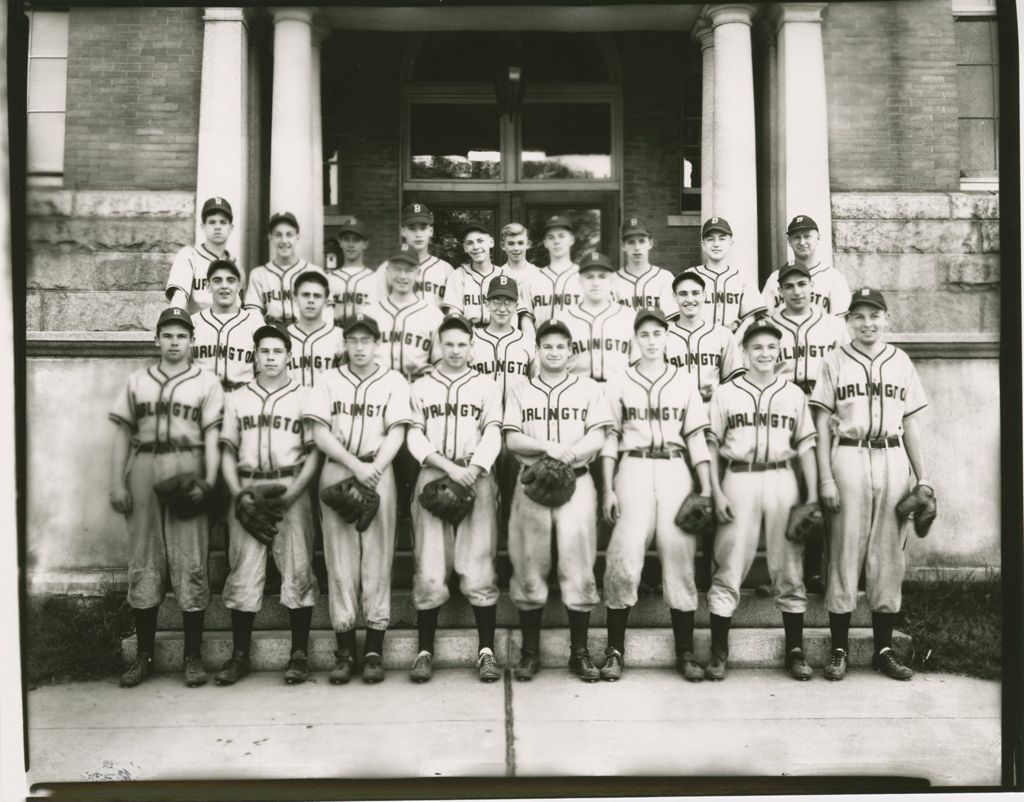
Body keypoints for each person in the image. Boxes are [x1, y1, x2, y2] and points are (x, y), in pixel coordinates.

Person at [810, 288, 930, 681]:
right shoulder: (833, 361)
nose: (867, 323)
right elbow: (822, 423)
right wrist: (825, 476)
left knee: (889, 557)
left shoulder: (901, 361)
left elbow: (910, 422)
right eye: (858, 316)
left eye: (873, 315)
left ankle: (883, 650)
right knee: (844, 552)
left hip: (893, 458)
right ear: (847, 322)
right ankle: (839, 648)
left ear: (886, 318)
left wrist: (923, 477)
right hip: (848, 454)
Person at [108, 307, 224, 688]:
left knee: (191, 560)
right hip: (143, 467)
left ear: (192, 341)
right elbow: (123, 434)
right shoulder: (137, 381)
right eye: (168, 335)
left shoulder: (207, 382)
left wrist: (208, 481)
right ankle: (144, 655)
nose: (175, 342)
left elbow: (212, 437)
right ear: (156, 339)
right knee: (144, 560)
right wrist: (116, 483)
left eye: (182, 335)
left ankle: (192, 656)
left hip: (186, 464)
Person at [600, 307, 712, 682]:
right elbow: (610, 438)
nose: (651, 340)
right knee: (624, 554)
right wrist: (606, 489)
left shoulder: (683, 381)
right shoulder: (618, 381)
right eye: (644, 334)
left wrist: (707, 486)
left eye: (657, 333)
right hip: (632, 467)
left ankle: (684, 651)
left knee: (679, 555)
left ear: (668, 337)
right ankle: (615, 649)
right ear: (636, 338)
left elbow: (696, 437)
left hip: (674, 468)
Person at [705, 319, 819, 681]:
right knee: (729, 560)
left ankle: (795, 649)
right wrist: (714, 490)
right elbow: (711, 445)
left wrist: (813, 495)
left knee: (789, 563)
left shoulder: (794, 394)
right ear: (744, 351)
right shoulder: (726, 392)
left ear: (779, 351)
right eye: (757, 347)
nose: (764, 353)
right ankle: (719, 649)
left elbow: (807, 446)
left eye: (771, 347)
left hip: (782, 477)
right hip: (738, 476)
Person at [303, 313, 412, 684]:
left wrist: (374, 469)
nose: (360, 346)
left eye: (366, 340)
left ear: (376, 343)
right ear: (344, 343)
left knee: (378, 561)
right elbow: (319, 433)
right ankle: (345, 649)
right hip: (338, 469)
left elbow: (398, 432)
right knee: (339, 562)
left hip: (379, 470)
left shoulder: (393, 380)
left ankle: (374, 651)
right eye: (354, 340)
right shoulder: (328, 380)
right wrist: (354, 465)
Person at [503, 319, 614, 682]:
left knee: (578, 564)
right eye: (547, 346)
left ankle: (579, 652)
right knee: (529, 564)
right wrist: (549, 448)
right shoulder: (521, 389)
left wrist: (568, 456)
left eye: (560, 346)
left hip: (577, 483)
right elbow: (513, 440)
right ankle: (531, 651)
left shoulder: (589, 389)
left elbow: (598, 436)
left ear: (571, 351)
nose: (553, 352)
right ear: (537, 351)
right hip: (531, 483)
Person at [215, 324, 321, 686]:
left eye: (278, 351)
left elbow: (314, 453)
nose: (271, 358)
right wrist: (238, 495)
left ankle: (299, 654)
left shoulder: (305, 395)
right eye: (264, 351)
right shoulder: (237, 398)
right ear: (254, 356)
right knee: (243, 570)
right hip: (248, 485)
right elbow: (226, 450)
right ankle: (239, 655)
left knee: (298, 568)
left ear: (289, 355)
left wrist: (294, 494)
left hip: (290, 485)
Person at [406, 312, 504, 683]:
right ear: (438, 345)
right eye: (449, 343)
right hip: (434, 473)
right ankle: (425, 651)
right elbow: (414, 437)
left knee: (479, 566)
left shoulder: (486, 385)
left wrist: (474, 470)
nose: (456, 350)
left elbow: (493, 432)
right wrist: (449, 469)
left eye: (462, 344)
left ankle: (486, 652)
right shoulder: (421, 386)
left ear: (471, 347)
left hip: (475, 472)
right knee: (429, 568)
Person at [768, 263, 849, 596]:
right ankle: (779, 568)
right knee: (784, 486)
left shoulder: (833, 325)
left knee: (817, 485)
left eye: (802, 284)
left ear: (812, 287)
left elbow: (846, 367)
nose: (797, 291)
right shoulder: (768, 324)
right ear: (780, 291)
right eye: (789, 286)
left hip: (821, 405)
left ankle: (814, 568)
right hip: (783, 404)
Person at [470, 275, 536, 521]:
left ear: (516, 305)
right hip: (479, 426)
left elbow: (535, 384)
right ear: (486, 303)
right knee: (481, 494)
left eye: (508, 301)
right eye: (496, 300)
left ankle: (509, 543)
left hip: (513, 427)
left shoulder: (527, 342)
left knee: (513, 492)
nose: (502, 307)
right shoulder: (473, 340)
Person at [666, 270, 745, 404]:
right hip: (674, 407)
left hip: (712, 405)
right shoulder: (664, 336)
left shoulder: (723, 335)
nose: (690, 299)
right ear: (674, 297)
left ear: (704, 296)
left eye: (695, 293)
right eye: (683, 294)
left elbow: (733, 383)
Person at [556, 251, 636, 383]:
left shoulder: (628, 316)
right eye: (589, 277)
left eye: (602, 276)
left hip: (618, 391)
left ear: (612, 280)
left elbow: (638, 363)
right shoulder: (564, 319)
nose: (595, 283)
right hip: (575, 392)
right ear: (580, 280)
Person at [443, 221, 533, 338]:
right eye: (470, 243)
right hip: (470, 336)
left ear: (491, 242)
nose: (476, 247)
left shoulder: (507, 276)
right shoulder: (458, 276)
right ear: (465, 248)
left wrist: (530, 344)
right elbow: (453, 314)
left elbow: (522, 316)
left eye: (480, 241)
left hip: (503, 336)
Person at [369, 246, 444, 382]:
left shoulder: (434, 316)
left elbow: (441, 363)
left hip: (419, 388)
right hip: (377, 388)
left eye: (409, 270)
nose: (402, 276)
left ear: (418, 273)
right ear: (387, 271)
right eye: (397, 269)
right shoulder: (370, 313)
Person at [189, 259, 264, 392]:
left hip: (242, 399)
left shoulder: (254, 323)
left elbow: (262, 372)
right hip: (203, 397)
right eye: (217, 281)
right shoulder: (193, 323)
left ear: (239, 286)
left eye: (231, 280)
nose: (224, 286)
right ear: (207, 285)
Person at [244, 211, 325, 327]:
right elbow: (253, 313)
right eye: (278, 235)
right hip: (271, 335)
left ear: (297, 237)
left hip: (305, 333)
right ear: (270, 237)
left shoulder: (315, 273)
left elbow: (326, 312)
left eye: (289, 234)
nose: (284, 241)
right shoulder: (258, 275)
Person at [762, 215, 852, 316]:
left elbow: (840, 323)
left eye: (807, 236)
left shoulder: (834, 278)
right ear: (789, 241)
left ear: (818, 238)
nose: (802, 242)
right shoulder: (775, 279)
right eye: (796, 237)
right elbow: (764, 321)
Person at [686, 217, 765, 332]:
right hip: (699, 345)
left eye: (722, 239)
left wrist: (732, 342)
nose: (716, 244)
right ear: (703, 244)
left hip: (734, 344)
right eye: (710, 239)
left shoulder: (743, 277)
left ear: (731, 243)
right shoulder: (690, 276)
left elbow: (750, 318)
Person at [375, 203, 454, 309]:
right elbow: (378, 307)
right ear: (402, 231)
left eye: (423, 228)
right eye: (412, 228)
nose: (418, 234)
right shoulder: (386, 268)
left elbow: (452, 311)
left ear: (431, 231)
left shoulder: (446, 269)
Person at [166, 196, 235, 314]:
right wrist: (174, 321)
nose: (217, 227)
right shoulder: (189, 255)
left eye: (223, 222)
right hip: (198, 326)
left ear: (231, 227)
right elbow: (179, 297)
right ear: (203, 226)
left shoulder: (235, 264)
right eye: (212, 222)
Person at [520, 215, 584, 325]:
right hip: (541, 341)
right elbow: (526, 319)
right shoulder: (531, 279)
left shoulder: (584, 276)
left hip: (576, 341)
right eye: (551, 237)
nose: (556, 241)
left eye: (561, 236)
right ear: (545, 242)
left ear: (571, 239)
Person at [286, 271, 345, 388]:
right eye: (305, 295)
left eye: (317, 296)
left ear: (325, 302)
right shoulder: (283, 336)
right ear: (295, 299)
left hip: (327, 404)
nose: (311, 300)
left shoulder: (339, 336)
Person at [611, 217, 676, 313]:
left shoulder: (665, 278)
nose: (637, 247)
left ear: (650, 243)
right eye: (631, 242)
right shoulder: (612, 280)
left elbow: (670, 320)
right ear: (623, 246)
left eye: (641, 241)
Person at [326, 216, 380, 324]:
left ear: (365, 244)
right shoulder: (329, 279)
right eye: (346, 239)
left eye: (356, 240)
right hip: (335, 334)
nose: (351, 245)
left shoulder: (375, 279)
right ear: (340, 242)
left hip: (362, 335)